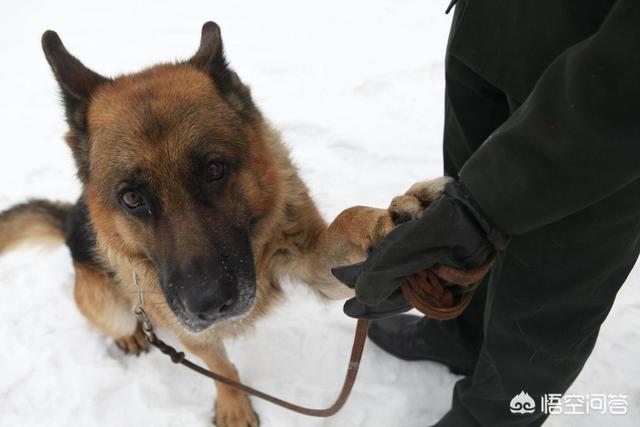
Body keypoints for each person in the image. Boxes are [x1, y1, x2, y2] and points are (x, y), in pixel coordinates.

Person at [332, 1, 640, 425]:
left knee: (551, 299)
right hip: (491, 31)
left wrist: (481, 209)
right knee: (463, 212)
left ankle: (493, 418)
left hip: (608, 101)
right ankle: (460, 333)